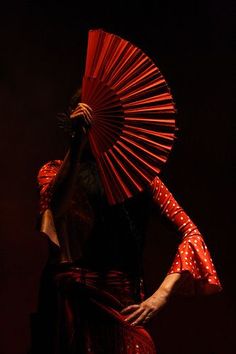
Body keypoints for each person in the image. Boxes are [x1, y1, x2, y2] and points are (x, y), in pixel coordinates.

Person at [30, 96, 222, 354]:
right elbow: (56, 208)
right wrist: (76, 144)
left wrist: (160, 296)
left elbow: (191, 233)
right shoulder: (54, 171)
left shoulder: (143, 180)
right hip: (73, 305)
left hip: (123, 302)